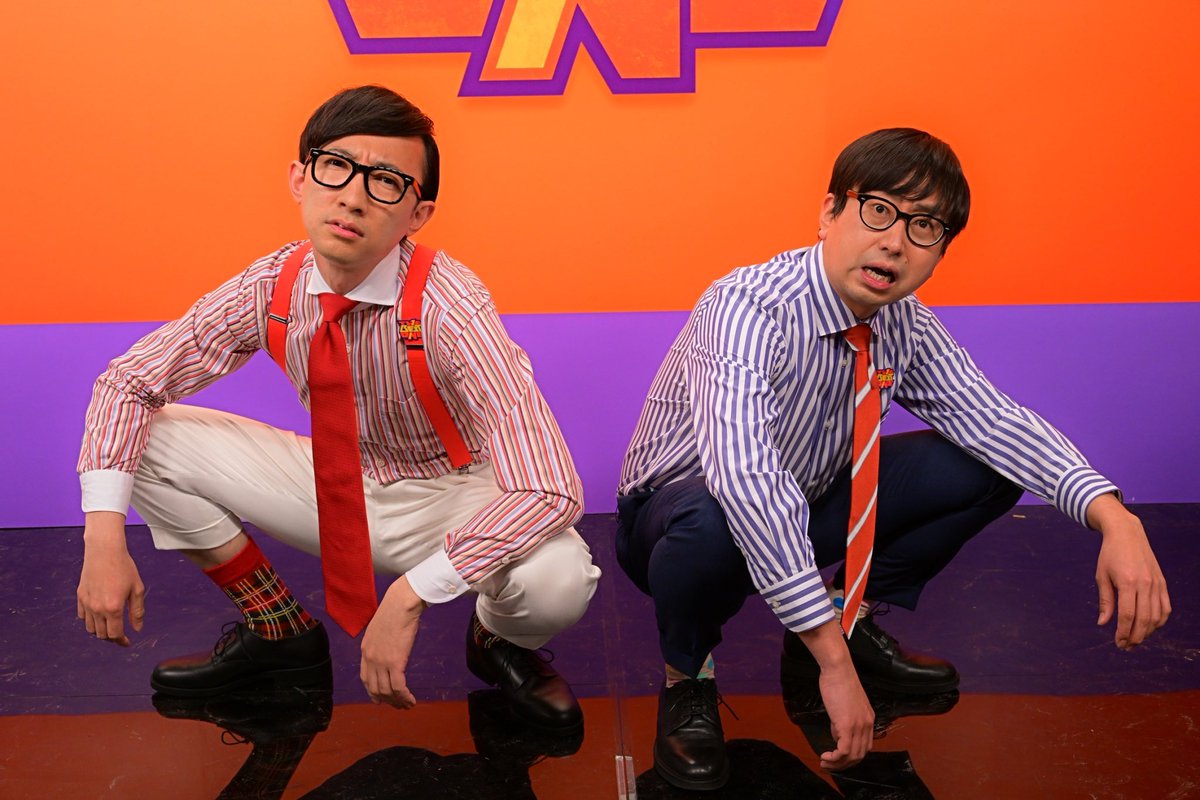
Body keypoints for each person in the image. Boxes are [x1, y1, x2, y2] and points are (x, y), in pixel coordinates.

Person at [615, 128, 1171, 790]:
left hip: (809, 497)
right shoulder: (746, 307)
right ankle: (688, 677)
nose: (896, 242)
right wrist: (833, 665)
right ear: (830, 212)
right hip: (674, 524)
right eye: (879, 210)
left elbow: (993, 419)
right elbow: (746, 479)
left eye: (924, 226)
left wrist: (1115, 517)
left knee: (990, 463)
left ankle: (848, 615)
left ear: (940, 249)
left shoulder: (903, 321)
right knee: (710, 517)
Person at [75, 85, 601, 732]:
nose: (353, 197)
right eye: (336, 167)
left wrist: (413, 593)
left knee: (560, 581)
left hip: (456, 494)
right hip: (334, 484)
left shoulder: (450, 308)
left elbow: (550, 487)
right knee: (146, 438)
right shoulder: (271, 285)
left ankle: (498, 639)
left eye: (386, 182)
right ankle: (279, 630)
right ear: (300, 179)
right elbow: (127, 382)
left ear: (418, 214)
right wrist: (103, 537)